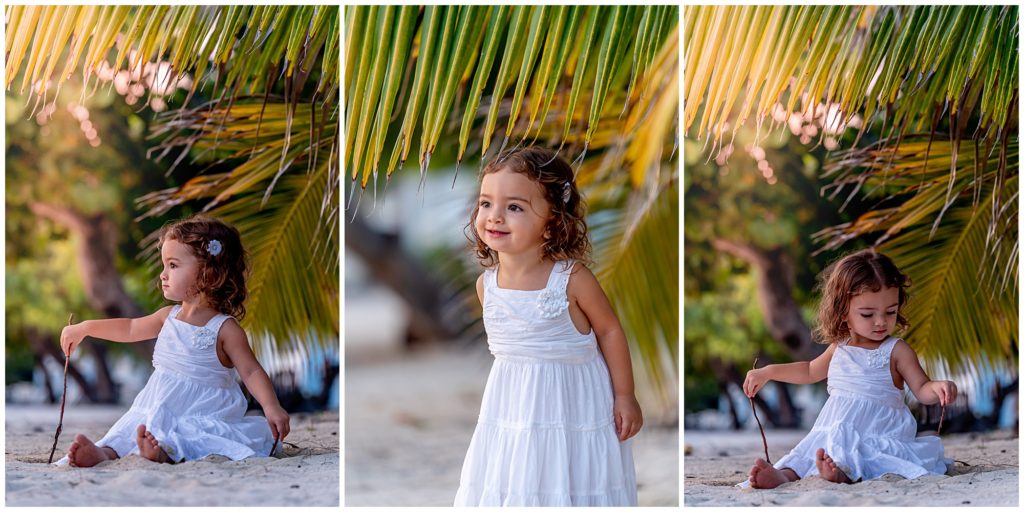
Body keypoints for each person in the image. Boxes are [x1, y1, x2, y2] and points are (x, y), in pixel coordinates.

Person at [453, 147, 641, 506]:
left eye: (515, 207)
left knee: (572, 479)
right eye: (486, 203)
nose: (494, 217)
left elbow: (609, 331)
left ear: (553, 220)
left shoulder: (571, 279)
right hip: (512, 406)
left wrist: (624, 395)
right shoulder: (486, 285)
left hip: (575, 403)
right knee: (515, 478)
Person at [57, 215, 290, 466]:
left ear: (208, 273)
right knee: (132, 428)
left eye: (173, 265)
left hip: (201, 411)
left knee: (191, 435)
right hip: (158, 401)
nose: (163, 274)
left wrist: (271, 405)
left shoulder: (224, 329)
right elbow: (130, 328)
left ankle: (159, 453)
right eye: (164, 265)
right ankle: (105, 453)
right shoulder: (168, 316)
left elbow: (251, 370)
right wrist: (85, 328)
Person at [742, 248, 956, 488]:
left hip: (879, 432)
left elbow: (921, 388)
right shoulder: (839, 347)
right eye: (867, 314)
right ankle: (783, 475)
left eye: (890, 312)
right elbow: (810, 371)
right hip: (834, 427)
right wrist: (769, 372)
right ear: (843, 312)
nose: (881, 322)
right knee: (811, 450)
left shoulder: (897, 350)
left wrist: (938, 387)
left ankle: (838, 475)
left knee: (864, 454)